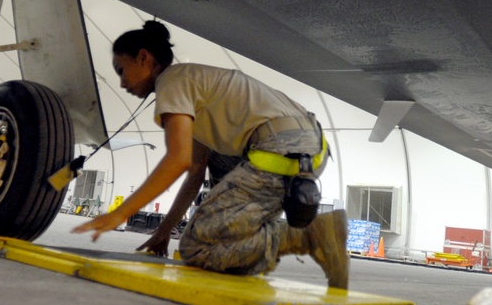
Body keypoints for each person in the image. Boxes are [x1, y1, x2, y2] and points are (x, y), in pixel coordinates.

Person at [73, 20, 349, 290]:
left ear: (143, 57)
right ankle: (259, 238)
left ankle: (309, 236)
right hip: (307, 147)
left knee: (197, 247)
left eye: (122, 70)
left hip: (280, 148)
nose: (122, 83)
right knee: (213, 220)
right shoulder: (197, 84)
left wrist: (121, 214)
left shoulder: (172, 81)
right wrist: (163, 231)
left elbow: (177, 160)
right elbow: (194, 169)